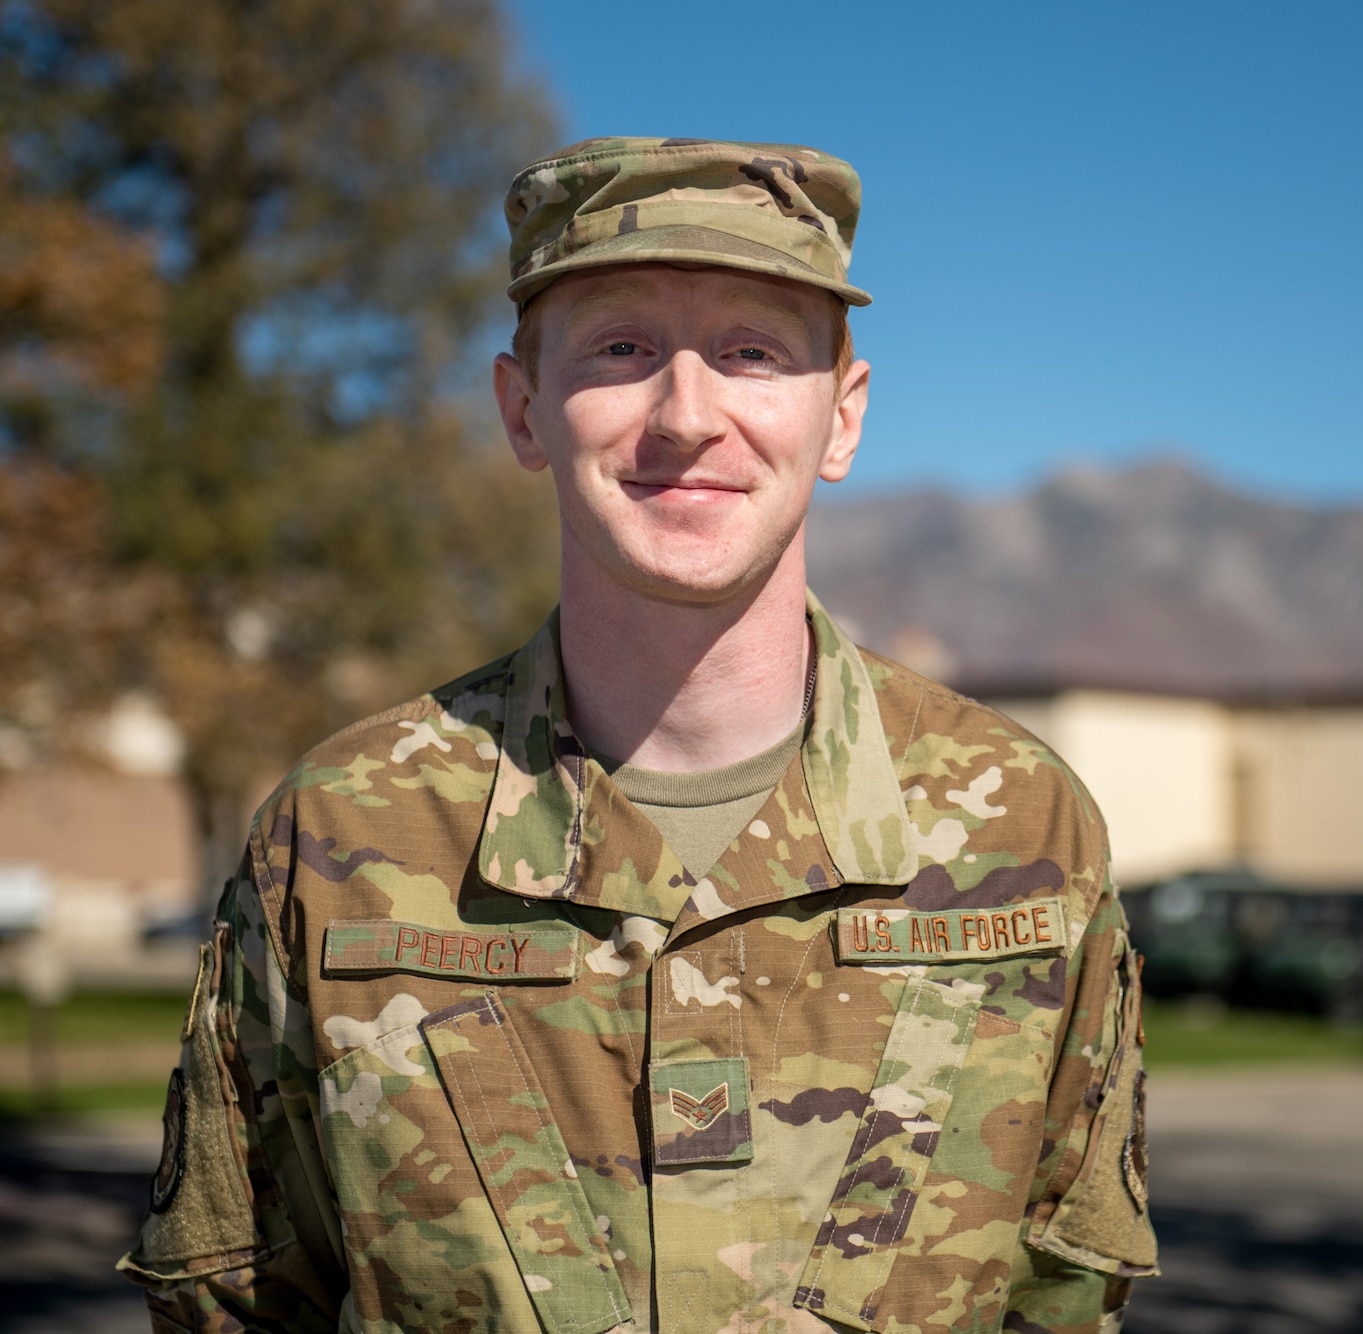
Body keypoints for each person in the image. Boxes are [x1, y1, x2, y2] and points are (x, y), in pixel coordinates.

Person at [117, 136, 1156, 1334]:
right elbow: (239, 1304)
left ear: (841, 417)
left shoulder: (1024, 828)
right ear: (523, 408)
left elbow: (1067, 1295)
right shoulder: (341, 832)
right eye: (620, 347)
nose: (686, 416)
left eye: (751, 352)